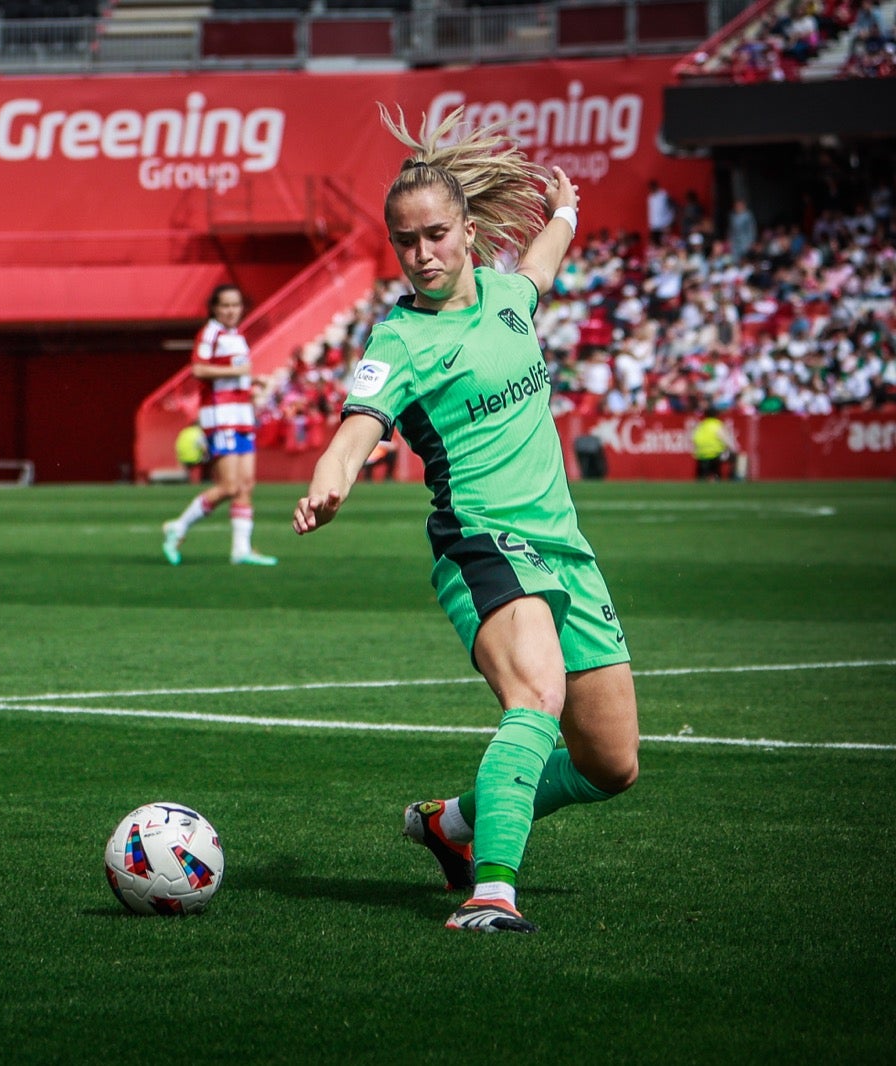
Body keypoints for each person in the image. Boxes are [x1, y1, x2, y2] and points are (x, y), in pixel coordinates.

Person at [293, 107, 638, 934]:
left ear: (469, 230)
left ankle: (452, 826)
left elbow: (541, 269)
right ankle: (491, 893)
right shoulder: (401, 339)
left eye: (437, 235)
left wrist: (564, 215)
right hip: (482, 542)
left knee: (610, 763)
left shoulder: (511, 297)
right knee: (537, 696)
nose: (423, 255)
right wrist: (328, 481)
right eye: (405, 241)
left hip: (566, 550)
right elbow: (357, 427)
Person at [161, 284, 277, 566]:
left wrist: (251, 381)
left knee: (246, 484)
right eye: (225, 305)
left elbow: (232, 376)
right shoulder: (210, 333)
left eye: (235, 305)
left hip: (242, 415)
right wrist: (238, 372)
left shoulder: (236, 335)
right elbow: (198, 369)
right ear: (214, 308)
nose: (230, 311)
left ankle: (241, 550)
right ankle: (179, 526)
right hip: (221, 416)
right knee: (228, 485)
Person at [692, 406, 739, 481]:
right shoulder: (717, 425)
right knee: (734, 456)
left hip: (701, 456)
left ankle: (704, 477)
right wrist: (733, 449)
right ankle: (733, 477)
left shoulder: (701, 425)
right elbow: (726, 440)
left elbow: (694, 439)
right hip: (715, 455)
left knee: (701, 476)